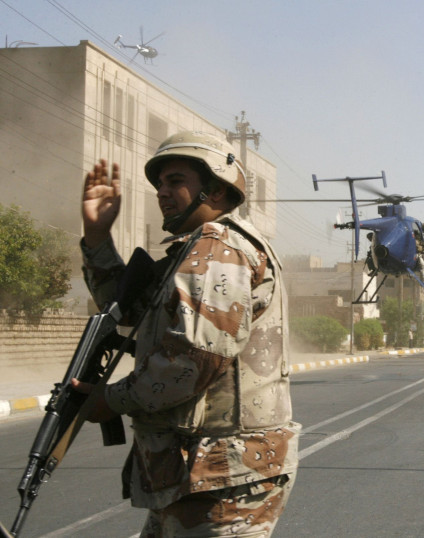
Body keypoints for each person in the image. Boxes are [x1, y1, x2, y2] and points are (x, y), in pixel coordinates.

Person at [74, 131, 300, 537]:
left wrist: (109, 400)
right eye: (159, 183)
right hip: (197, 473)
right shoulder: (193, 251)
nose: (162, 192)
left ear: (215, 190)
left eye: (175, 181)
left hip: (224, 479)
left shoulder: (219, 247)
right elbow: (129, 316)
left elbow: (193, 358)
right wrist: (96, 236)